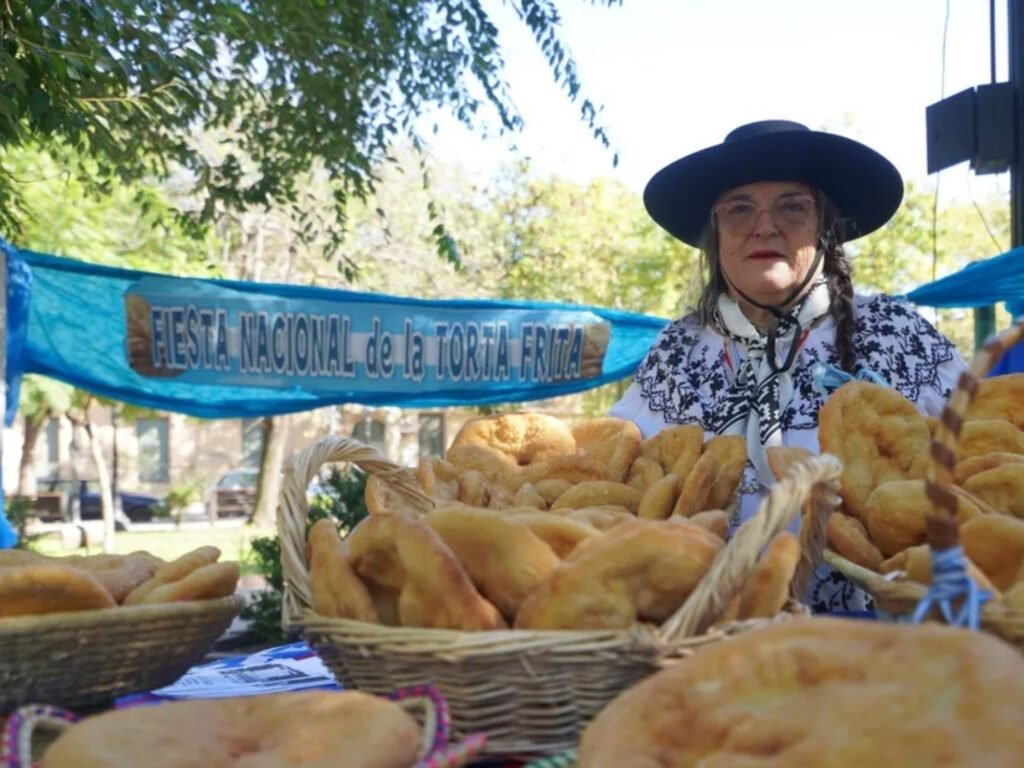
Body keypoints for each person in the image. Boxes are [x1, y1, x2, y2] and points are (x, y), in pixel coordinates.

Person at [610, 120, 968, 614]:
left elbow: (983, 464)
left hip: (876, 647)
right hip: (700, 640)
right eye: (739, 209)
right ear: (715, 233)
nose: (765, 225)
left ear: (824, 226)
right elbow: (618, 472)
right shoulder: (679, 349)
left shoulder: (893, 332)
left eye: (792, 206)